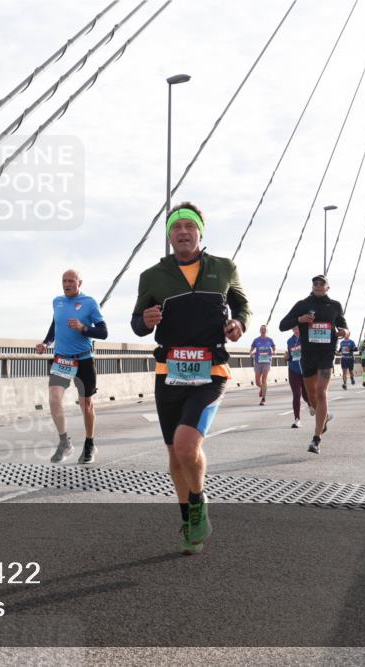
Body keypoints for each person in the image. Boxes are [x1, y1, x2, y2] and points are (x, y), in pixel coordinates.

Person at [131, 202, 250, 555]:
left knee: (186, 446)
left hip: (210, 370)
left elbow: (242, 306)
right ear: (169, 236)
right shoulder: (153, 276)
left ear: (200, 231)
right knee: (174, 453)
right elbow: (137, 323)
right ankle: (189, 520)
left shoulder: (224, 268)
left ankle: (198, 502)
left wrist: (239, 323)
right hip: (169, 372)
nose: (183, 232)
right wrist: (146, 321)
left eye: (189, 226)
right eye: (176, 227)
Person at [36, 269, 108, 464]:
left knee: (86, 404)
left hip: (83, 360)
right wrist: (46, 343)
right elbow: (55, 326)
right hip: (62, 360)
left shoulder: (89, 303)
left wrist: (83, 328)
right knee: (54, 399)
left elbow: (103, 332)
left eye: (70, 281)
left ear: (79, 283)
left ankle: (89, 444)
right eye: (64, 281)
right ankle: (64, 442)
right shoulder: (57, 302)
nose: (67, 284)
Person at [279, 275, 349, 455]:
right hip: (308, 355)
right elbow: (282, 325)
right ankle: (323, 418)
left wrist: (344, 332)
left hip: (326, 354)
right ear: (312, 286)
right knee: (311, 397)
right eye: (315, 283)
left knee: (321, 391)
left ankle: (316, 439)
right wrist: (300, 319)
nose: (318, 285)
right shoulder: (302, 305)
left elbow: (344, 327)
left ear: (328, 287)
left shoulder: (335, 306)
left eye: (322, 283)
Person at [284, 326, 309, 428]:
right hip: (293, 370)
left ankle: (310, 404)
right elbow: (291, 357)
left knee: (306, 395)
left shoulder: (306, 338)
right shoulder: (290, 341)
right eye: (293, 328)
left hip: (305, 369)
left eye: (297, 328)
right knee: (296, 394)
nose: (295, 330)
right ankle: (297, 419)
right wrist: (287, 357)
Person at [250, 325, 275, 406]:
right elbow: (252, 348)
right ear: (260, 331)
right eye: (262, 329)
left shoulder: (270, 340)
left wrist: (273, 351)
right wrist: (251, 352)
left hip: (267, 362)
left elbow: (274, 348)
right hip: (258, 362)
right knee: (257, 382)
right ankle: (262, 388)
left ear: (267, 331)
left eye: (265, 329)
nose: (263, 330)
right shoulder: (256, 340)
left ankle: (263, 399)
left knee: (264, 380)